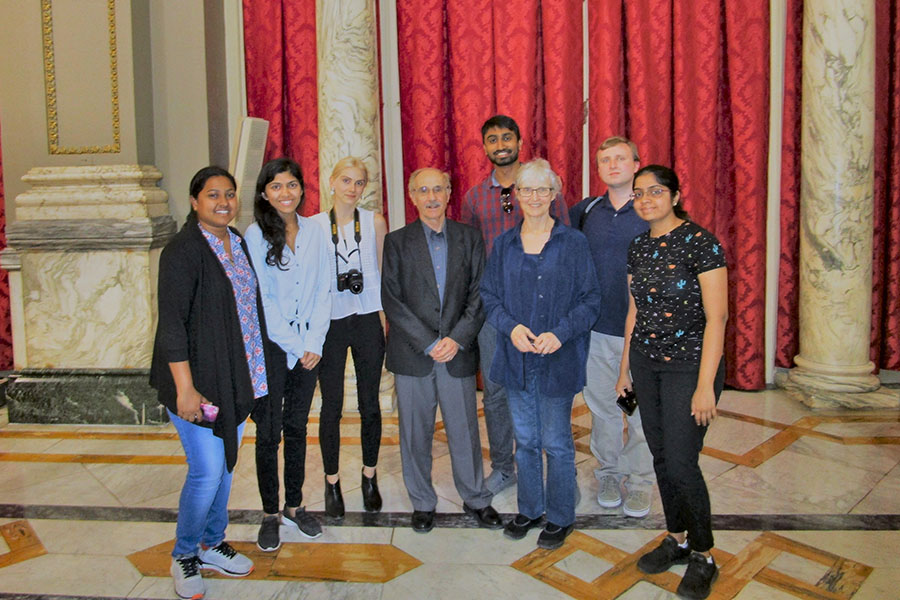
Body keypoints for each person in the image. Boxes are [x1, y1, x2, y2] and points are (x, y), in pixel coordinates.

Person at [150, 166, 285, 600]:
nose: (223, 202)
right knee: (207, 471)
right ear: (194, 201)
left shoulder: (238, 242)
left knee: (226, 464)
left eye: (229, 194)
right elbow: (172, 325)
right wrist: (186, 390)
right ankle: (184, 553)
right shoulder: (182, 251)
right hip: (199, 385)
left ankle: (211, 542)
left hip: (234, 380)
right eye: (212, 195)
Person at [616, 165, 727, 600]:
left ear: (676, 196)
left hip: (690, 367)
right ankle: (677, 537)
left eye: (656, 191)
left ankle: (704, 555)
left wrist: (705, 386)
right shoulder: (638, 247)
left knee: (682, 463)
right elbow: (634, 313)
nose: (646, 200)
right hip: (647, 363)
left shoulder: (702, 243)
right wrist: (625, 370)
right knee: (661, 458)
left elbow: (717, 318)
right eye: (639, 193)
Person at [481, 159, 601, 550]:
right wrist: (511, 328)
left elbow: (590, 300)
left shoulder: (574, 243)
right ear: (516, 196)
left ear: (554, 194)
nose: (534, 197)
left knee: (557, 442)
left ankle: (561, 516)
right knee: (526, 440)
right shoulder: (503, 245)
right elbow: (489, 296)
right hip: (516, 358)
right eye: (526, 190)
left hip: (557, 359)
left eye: (542, 190)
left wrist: (560, 334)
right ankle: (530, 509)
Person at [382, 167, 501, 534]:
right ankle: (422, 502)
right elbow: (392, 299)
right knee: (415, 434)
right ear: (412, 195)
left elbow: (480, 292)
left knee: (464, 430)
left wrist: (457, 338)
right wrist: (429, 342)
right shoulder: (396, 241)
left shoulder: (469, 238)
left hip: (457, 351)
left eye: (438, 189)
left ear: (450, 192)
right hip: (413, 354)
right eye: (423, 190)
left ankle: (476, 498)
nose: (432, 197)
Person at [461, 115, 571, 495]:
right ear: (486, 147)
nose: (500, 144)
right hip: (495, 311)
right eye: (492, 139)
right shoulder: (475, 197)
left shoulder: (544, 186)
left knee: (546, 387)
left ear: (520, 140)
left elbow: (567, 243)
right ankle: (504, 467)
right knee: (495, 390)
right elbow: (470, 256)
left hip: (544, 307)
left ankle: (553, 463)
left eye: (507, 137)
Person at [244, 157, 332, 550]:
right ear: (265, 193)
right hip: (271, 347)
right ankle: (269, 512)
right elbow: (262, 300)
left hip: (308, 348)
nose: (285, 193)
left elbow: (323, 290)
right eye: (276, 186)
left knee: (297, 426)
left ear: (302, 189)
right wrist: (297, 346)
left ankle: (294, 505)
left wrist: (314, 343)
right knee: (269, 431)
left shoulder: (316, 231)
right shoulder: (254, 234)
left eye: (292, 184)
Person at [569, 136, 654, 517]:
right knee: (603, 408)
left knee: (642, 412)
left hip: (646, 333)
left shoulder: (654, 209)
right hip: (597, 330)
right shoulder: (585, 211)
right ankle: (608, 471)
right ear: (598, 168)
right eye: (605, 160)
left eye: (621, 158)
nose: (613, 165)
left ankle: (639, 481)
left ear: (636, 164)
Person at [310, 157, 387, 519]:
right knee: (332, 407)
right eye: (346, 180)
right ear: (331, 182)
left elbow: (383, 275)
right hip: (330, 323)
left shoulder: (374, 222)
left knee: (370, 404)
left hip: (368, 317)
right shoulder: (311, 226)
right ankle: (332, 481)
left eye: (359, 182)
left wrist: (385, 317)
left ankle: (369, 476)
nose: (352, 188)